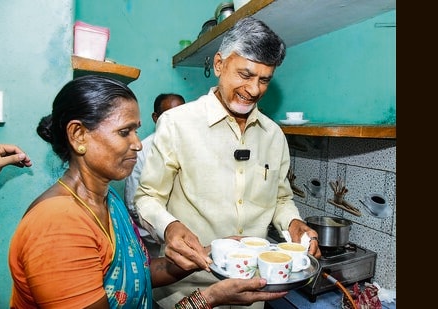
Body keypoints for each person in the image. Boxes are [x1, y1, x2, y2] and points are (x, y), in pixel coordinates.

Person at [8, 75, 289, 309]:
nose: (139, 144)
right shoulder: (58, 226)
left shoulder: (107, 200)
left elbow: (139, 275)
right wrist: (209, 298)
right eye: (124, 132)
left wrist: (206, 255)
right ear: (79, 135)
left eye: (136, 131)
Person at [134, 17, 322, 309]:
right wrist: (169, 227)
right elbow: (147, 197)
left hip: (253, 295)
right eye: (245, 75)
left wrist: (293, 222)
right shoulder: (178, 123)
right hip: (185, 293)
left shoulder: (273, 136)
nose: (254, 89)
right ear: (220, 64)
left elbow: (281, 198)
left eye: (264, 80)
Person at [124, 93, 185, 257]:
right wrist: (165, 229)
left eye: (181, 114)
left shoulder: (194, 146)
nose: (175, 121)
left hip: (188, 235)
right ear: (155, 117)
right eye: (168, 116)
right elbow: (133, 203)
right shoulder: (142, 149)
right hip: (154, 240)